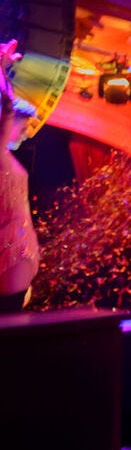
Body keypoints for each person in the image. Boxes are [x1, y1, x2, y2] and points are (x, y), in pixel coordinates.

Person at [0, 40, 39, 313]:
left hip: (18, 257)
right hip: (8, 257)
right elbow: (6, 105)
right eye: (24, 126)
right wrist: (1, 69)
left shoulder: (8, 158)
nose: (27, 133)